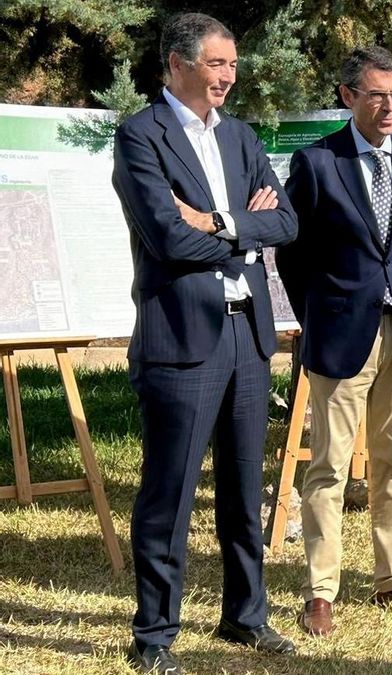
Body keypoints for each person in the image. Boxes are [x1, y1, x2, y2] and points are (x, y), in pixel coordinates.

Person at [111, 12, 298, 674]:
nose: (229, 76)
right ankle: (154, 635)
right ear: (178, 64)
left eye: (233, 65)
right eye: (217, 64)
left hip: (248, 334)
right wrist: (245, 225)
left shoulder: (242, 137)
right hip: (182, 339)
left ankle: (245, 616)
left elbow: (287, 221)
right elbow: (166, 237)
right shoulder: (141, 137)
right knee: (170, 495)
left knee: (245, 492)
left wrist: (217, 219)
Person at [277, 46, 392, 635]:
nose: (390, 106)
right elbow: (291, 254)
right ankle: (322, 589)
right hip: (341, 334)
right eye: (377, 95)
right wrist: (319, 317)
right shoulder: (317, 163)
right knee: (328, 465)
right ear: (349, 97)